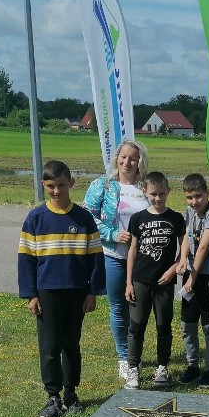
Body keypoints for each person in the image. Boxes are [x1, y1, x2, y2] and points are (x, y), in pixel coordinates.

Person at [18, 160, 105, 417]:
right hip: (48, 291)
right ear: (45, 186)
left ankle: (71, 393)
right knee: (50, 345)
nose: (57, 191)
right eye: (51, 186)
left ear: (71, 183)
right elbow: (26, 259)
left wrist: (92, 292)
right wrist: (31, 294)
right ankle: (53, 397)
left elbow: (95, 258)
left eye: (61, 185)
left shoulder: (83, 217)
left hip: (77, 291)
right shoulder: (35, 218)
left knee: (71, 344)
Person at [83, 140, 150, 382]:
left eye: (133, 158)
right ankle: (125, 358)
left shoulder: (146, 188)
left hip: (142, 260)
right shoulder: (103, 186)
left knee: (138, 310)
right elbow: (87, 216)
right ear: (116, 159)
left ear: (140, 162)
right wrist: (113, 234)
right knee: (118, 309)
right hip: (113, 256)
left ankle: (135, 353)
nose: (127, 162)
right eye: (123, 157)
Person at [124, 172, 186, 389]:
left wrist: (174, 268)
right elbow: (132, 251)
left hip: (164, 283)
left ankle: (162, 367)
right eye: (153, 194)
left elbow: (183, 248)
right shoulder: (138, 218)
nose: (158, 198)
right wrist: (129, 282)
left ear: (168, 191)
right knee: (136, 326)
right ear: (145, 192)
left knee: (163, 326)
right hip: (140, 280)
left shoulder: (176, 218)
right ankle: (133, 369)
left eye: (161, 193)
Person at [177, 174, 209, 387]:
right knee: (187, 322)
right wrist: (183, 258)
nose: (194, 202)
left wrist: (193, 278)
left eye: (198, 196)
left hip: (205, 276)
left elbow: (203, 246)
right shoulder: (189, 212)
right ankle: (192, 365)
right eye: (189, 197)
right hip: (191, 275)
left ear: (207, 194)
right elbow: (187, 236)